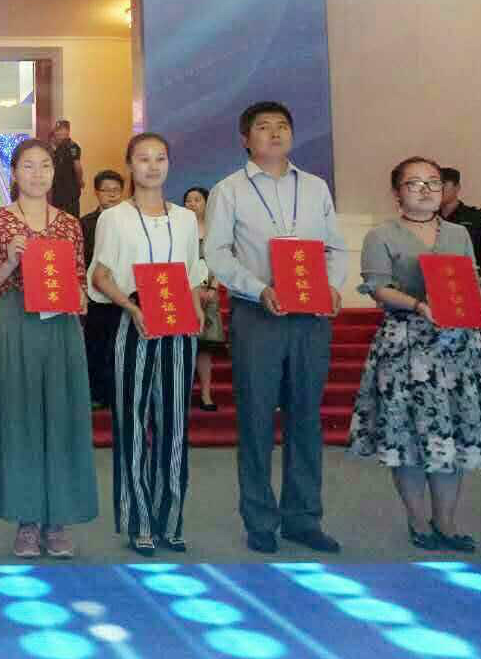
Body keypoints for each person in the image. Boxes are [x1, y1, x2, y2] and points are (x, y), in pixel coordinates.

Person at [348, 157, 481, 551]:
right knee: (407, 438)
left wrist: (479, 308)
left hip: (456, 350)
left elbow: (472, 280)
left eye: (433, 182)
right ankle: (418, 520)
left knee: (450, 436)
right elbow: (377, 288)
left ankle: (447, 522)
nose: (425, 190)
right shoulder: (381, 235)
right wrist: (419, 305)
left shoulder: (459, 233)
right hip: (405, 346)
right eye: (414, 183)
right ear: (397, 192)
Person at [206, 102, 348, 555]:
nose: (274, 133)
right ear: (246, 139)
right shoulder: (229, 189)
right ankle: (260, 520)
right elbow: (217, 253)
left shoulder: (315, 187)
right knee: (256, 419)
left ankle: (303, 518)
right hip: (258, 314)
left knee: (306, 417)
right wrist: (257, 288)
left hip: (310, 317)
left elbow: (335, 247)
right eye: (263, 127)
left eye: (282, 126)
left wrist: (332, 286)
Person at [0, 139, 98, 559]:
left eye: (44, 165)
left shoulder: (68, 224)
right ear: (13, 173)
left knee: (61, 416)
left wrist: (80, 297)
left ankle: (57, 519)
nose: (37, 174)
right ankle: (27, 520)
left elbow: (78, 279)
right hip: (16, 321)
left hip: (60, 324)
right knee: (21, 416)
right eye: (27, 166)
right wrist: (11, 260)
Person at [90, 133, 205, 556]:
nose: (153, 166)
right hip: (135, 318)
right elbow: (101, 274)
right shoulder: (114, 218)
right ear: (129, 165)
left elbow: (192, 273)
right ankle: (139, 520)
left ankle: (171, 520)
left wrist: (197, 310)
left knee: (175, 425)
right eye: (143, 159)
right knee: (133, 423)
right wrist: (129, 306)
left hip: (180, 325)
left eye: (160, 158)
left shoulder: (186, 219)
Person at [81, 170, 125, 408]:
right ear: (96, 193)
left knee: (121, 346)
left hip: (124, 294)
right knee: (96, 344)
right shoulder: (85, 223)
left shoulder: (131, 223)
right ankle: (96, 393)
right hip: (95, 295)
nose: (111, 195)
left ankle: (119, 394)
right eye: (106, 190)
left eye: (116, 190)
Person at [183, 186, 223, 412]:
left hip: (209, 293)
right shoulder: (179, 228)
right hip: (185, 293)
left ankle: (206, 394)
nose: (192, 204)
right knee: (184, 345)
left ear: (207, 203)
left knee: (205, 347)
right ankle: (183, 393)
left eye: (197, 200)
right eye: (188, 200)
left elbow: (221, 261)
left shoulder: (215, 230)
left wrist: (213, 288)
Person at [440, 168, 481, 273]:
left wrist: (478, 274)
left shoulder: (477, 217)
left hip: (469, 276)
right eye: (435, 184)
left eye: (444, 184)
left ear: (457, 187)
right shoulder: (428, 216)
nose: (439, 189)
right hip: (435, 277)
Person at [50, 120, 84, 219]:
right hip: (58, 189)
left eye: (62, 131)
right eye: (57, 131)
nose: (59, 134)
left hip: (70, 188)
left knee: (71, 217)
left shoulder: (72, 147)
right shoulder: (57, 147)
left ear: (68, 131)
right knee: (57, 217)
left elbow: (77, 166)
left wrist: (80, 180)